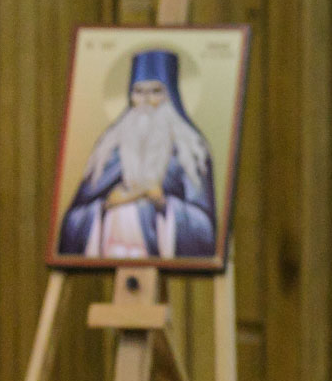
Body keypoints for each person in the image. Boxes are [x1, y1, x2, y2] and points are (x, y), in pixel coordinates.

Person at [57, 49, 217, 259]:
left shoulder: (190, 151)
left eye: (155, 91)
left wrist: (163, 204)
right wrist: (105, 206)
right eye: (138, 92)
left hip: (160, 249)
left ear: (171, 95)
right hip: (110, 248)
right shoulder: (109, 149)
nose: (146, 100)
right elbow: (73, 220)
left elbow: (204, 228)